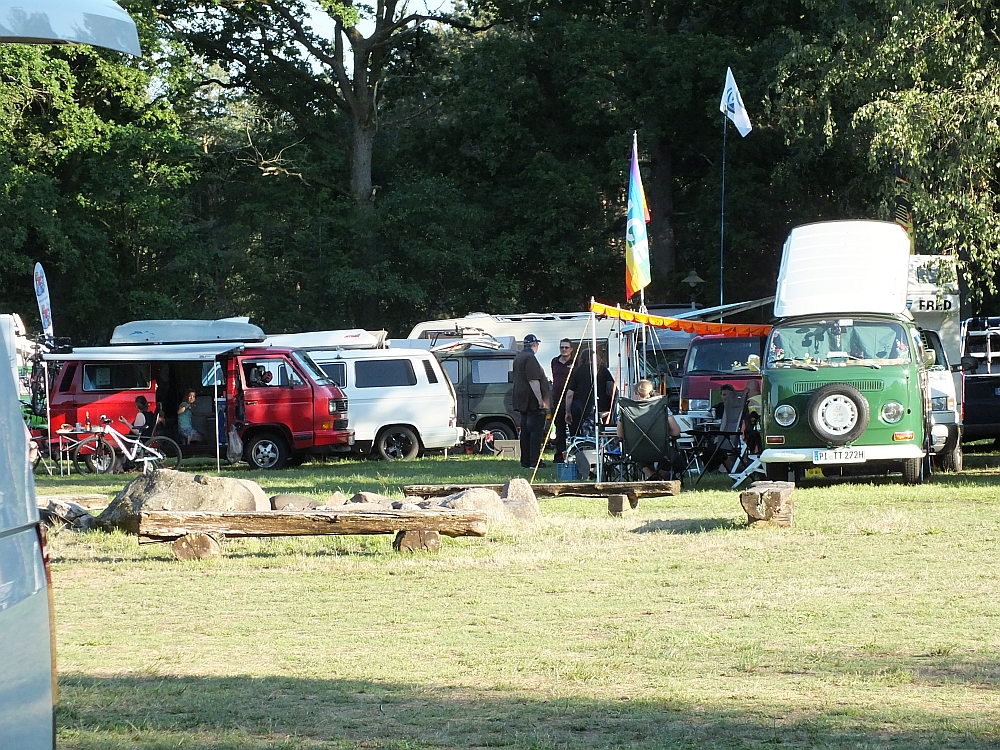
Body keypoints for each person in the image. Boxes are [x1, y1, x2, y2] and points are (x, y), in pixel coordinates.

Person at [618, 379, 681, 479]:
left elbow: (620, 434)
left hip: (636, 451)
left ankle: (651, 474)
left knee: (637, 450)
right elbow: (676, 431)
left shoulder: (626, 410)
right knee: (670, 452)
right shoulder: (662, 407)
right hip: (661, 449)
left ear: (637, 394)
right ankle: (661, 474)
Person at [512, 334, 550, 469]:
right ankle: (535, 461)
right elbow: (533, 380)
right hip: (532, 402)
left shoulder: (518, 357)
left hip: (522, 401)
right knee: (535, 432)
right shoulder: (530, 358)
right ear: (534, 345)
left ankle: (526, 461)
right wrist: (540, 400)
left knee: (525, 432)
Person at [564, 347, 614, 436]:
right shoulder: (602, 369)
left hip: (584, 408)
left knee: (584, 434)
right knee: (603, 433)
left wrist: (568, 412)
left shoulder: (577, 371)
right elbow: (612, 389)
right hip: (604, 408)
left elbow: (569, 394)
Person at [550, 338, 575, 463]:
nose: (564, 349)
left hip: (572, 399)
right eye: (562, 347)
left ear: (571, 349)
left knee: (573, 428)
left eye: (566, 347)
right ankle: (560, 455)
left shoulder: (575, 362)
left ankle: (574, 454)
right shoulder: (554, 361)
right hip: (557, 399)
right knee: (559, 429)